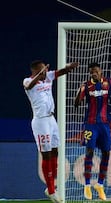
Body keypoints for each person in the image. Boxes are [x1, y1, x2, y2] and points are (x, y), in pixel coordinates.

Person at [74, 62, 111, 200]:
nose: (93, 73)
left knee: (107, 152)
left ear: (100, 71)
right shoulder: (87, 85)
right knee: (89, 152)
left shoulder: (109, 82)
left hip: (105, 125)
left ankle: (100, 185)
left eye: (95, 71)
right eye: (91, 72)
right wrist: (79, 91)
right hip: (90, 125)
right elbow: (76, 104)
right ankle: (87, 185)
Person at [23, 60, 80, 203]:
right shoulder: (28, 81)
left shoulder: (47, 77)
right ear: (35, 71)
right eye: (42, 71)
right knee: (46, 154)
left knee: (55, 152)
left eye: (45, 71)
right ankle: (51, 190)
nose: (45, 73)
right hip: (40, 121)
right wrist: (40, 75)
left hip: (51, 119)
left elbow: (60, 73)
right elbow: (29, 86)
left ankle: (51, 185)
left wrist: (68, 68)